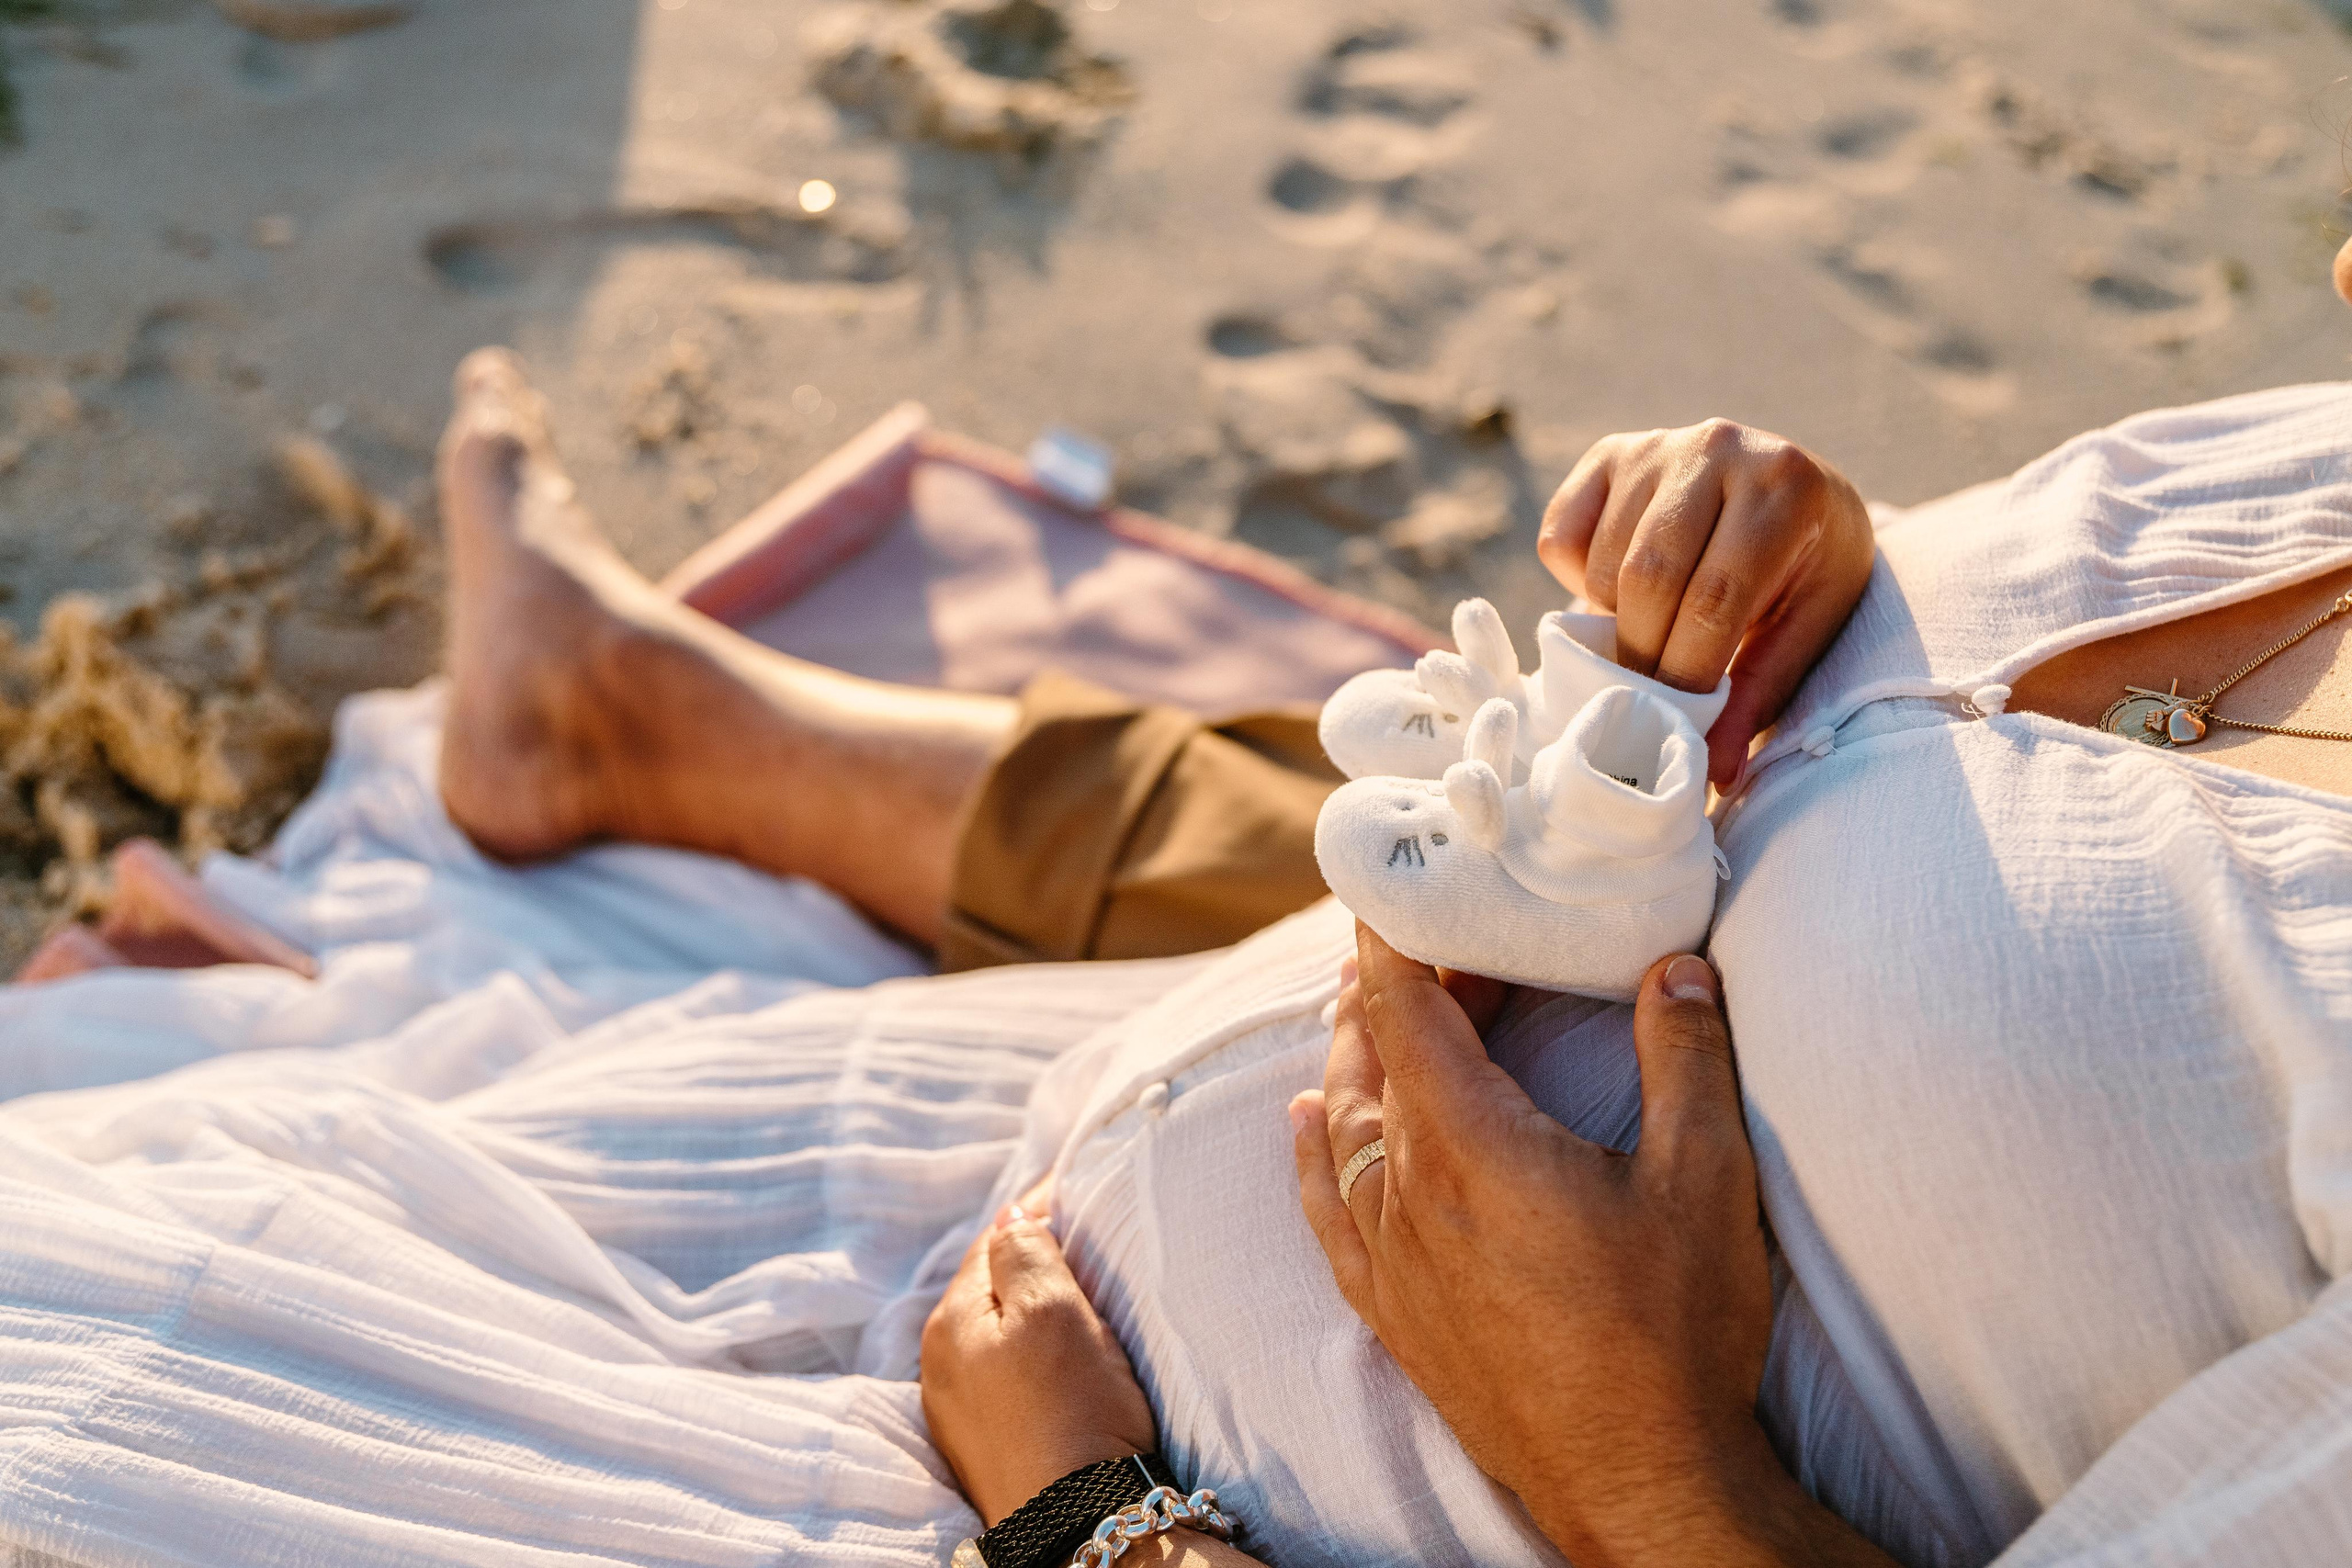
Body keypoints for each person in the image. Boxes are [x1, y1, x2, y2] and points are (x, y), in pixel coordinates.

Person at [414, 209, 2352, 1568]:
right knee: (1376, 803)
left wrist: (1624, 1475)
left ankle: (637, 721)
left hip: (1078, 1471)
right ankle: (631, 720)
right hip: (1060, 1120)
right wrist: (1848, 588)